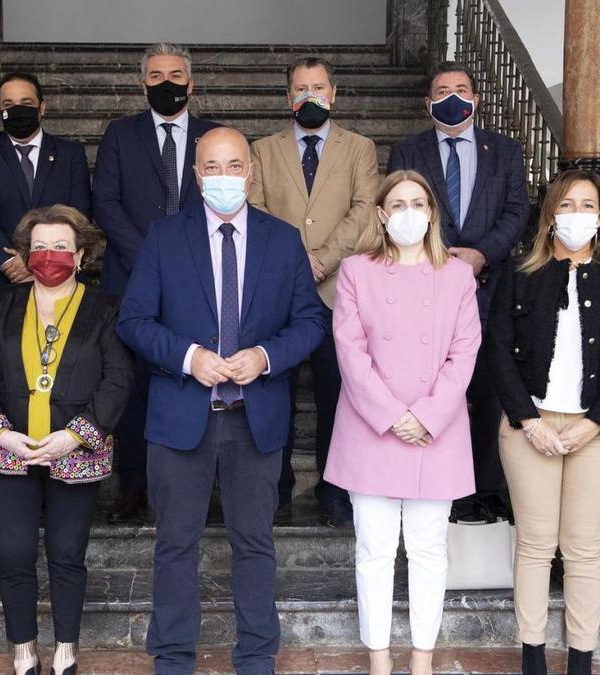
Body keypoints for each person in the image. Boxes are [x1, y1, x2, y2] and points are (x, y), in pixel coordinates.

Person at [118, 127, 325, 674]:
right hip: (181, 416)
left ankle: (257, 658)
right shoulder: (164, 237)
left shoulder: (282, 241)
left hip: (254, 419)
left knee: (255, 544)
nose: (224, 177)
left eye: (234, 166)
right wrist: (188, 357)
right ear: (195, 175)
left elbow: (309, 322)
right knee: (175, 546)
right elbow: (134, 320)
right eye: (212, 167)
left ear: (251, 173)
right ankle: (172, 658)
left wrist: (264, 357)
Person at [487, 170, 600, 675]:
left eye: (587, 205)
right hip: (528, 424)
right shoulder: (519, 274)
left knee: (583, 549)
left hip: (595, 431)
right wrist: (529, 421)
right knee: (535, 545)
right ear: (549, 213)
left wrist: (595, 423)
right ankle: (532, 656)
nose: (575, 215)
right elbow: (497, 353)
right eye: (566, 204)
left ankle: (581, 660)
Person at [0, 204, 134, 675]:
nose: (50, 255)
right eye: (40, 247)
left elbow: (118, 378)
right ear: (25, 254)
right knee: (14, 554)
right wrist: (2, 433)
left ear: (80, 256)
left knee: (65, 554)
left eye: (61, 247)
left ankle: (66, 650)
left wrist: (76, 436)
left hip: (74, 453)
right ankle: (23, 649)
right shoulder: (2, 304)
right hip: (12, 449)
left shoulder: (105, 308)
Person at [325, 171, 481, 675]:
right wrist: (393, 416)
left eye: (418, 202)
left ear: (432, 213)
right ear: (381, 215)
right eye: (398, 203)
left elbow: (465, 351)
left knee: (429, 549)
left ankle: (421, 659)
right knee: (373, 549)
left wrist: (427, 416)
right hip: (373, 430)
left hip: (437, 431)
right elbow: (351, 352)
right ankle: (378, 659)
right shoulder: (355, 270)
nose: (408, 212)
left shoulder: (457, 275)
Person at [387, 61, 529, 521]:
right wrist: (441, 260)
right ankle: (432, 482)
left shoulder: (504, 151)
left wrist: (480, 254)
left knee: (487, 387)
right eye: (443, 90)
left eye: (461, 89)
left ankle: (483, 490)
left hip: (489, 287)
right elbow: (399, 211)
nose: (453, 96)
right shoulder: (407, 149)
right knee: (434, 386)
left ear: (476, 99)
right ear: (428, 103)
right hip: (424, 289)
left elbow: (516, 211)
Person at [93, 42, 221, 523]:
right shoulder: (120, 134)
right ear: (142, 82)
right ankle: (134, 483)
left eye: (175, 74)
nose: (166, 82)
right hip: (132, 275)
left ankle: (198, 480)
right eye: (155, 75)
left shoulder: (215, 137)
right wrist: (152, 255)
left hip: (202, 277)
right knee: (131, 382)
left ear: (191, 82)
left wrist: (181, 259)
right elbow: (105, 202)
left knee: (194, 374)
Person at [247, 56, 378, 525]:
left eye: (318, 87)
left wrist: (321, 257)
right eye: (300, 88)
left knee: (336, 394)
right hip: (277, 292)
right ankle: (274, 488)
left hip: (337, 290)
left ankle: (333, 489)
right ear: (288, 97)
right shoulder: (262, 150)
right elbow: (255, 210)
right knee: (271, 391)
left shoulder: (359, 148)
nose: (310, 96)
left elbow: (365, 209)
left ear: (334, 92)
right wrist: (293, 263)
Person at [0, 72, 92, 308]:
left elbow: (79, 215)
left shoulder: (70, 154)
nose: (17, 110)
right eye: (8, 105)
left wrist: (38, 261)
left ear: (42, 108)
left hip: (59, 275)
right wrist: (11, 262)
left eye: (26, 104)